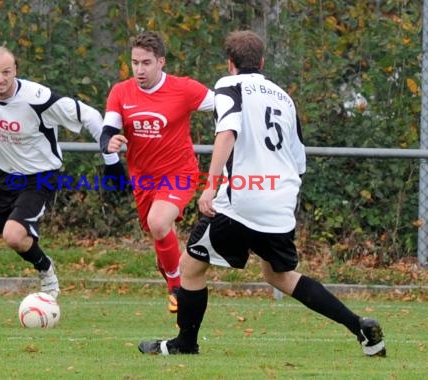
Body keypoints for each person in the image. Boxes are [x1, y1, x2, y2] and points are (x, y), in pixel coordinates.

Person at [138, 30, 386, 356]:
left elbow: (227, 131)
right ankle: (361, 328)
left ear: (230, 64)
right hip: (280, 200)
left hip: (241, 200)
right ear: (263, 62)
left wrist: (210, 186)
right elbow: (298, 160)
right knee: (279, 275)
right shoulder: (284, 97)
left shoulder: (228, 85)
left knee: (190, 267)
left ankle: (185, 343)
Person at [0, 46, 125, 318]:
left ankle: (45, 268)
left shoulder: (37, 97)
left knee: (14, 236)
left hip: (38, 177)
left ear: (16, 70)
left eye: (6, 72)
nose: (1, 79)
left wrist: (110, 158)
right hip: (2, 176)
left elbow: (89, 115)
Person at [99, 31, 214, 313]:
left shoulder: (184, 89)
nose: (139, 69)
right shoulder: (121, 92)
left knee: (159, 222)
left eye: (146, 63)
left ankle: (177, 287)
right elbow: (108, 130)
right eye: (135, 62)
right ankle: (177, 278)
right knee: (160, 235)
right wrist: (110, 142)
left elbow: (225, 105)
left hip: (180, 172)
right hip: (144, 179)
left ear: (161, 62)